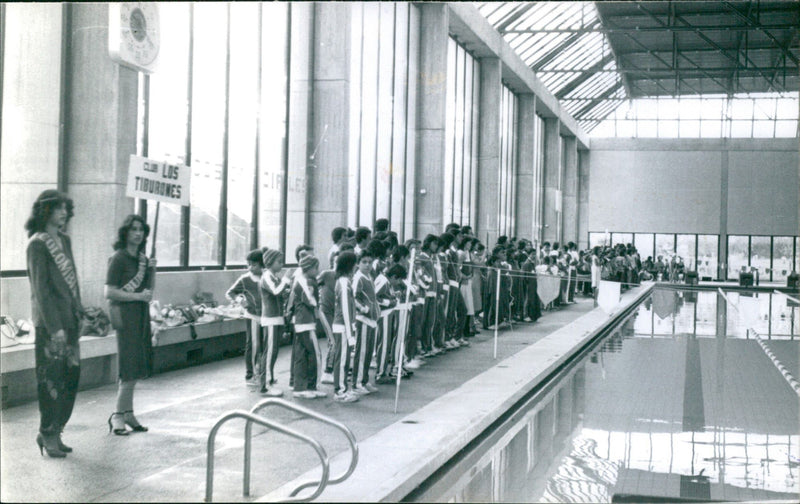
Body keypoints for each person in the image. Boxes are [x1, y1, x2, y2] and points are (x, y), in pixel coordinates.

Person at [26, 190, 82, 457]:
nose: (63, 213)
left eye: (65, 208)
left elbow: (74, 282)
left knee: (71, 377)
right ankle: (47, 432)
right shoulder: (38, 244)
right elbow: (41, 289)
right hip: (51, 326)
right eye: (58, 208)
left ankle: (56, 430)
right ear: (45, 211)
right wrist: (55, 326)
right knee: (51, 380)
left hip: (70, 321)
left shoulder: (66, 240)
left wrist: (79, 312)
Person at [104, 214, 157, 436]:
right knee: (128, 365)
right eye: (133, 229)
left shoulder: (143, 260)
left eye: (141, 230)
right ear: (125, 232)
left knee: (136, 364)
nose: (138, 233)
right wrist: (137, 297)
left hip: (140, 315)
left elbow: (148, 293)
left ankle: (128, 412)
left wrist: (153, 270)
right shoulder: (118, 258)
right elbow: (109, 292)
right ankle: (117, 415)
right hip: (124, 316)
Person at [288, 255, 327, 399]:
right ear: (308, 268)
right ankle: (309, 386)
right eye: (316, 268)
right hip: (305, 323)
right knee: (315, 354)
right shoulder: (304, 282)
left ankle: (301, 387)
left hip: (303, 322)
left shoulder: (302, 281)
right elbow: (311, 301)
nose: (318, 271)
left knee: (301, 355)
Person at [225, 249, 264, 384]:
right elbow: (230, 293)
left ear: (262, 264)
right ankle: (250, 375)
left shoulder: (267, 277)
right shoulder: (245, 279)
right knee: (253, 345)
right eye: (249, 264)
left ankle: (260, 371)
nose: (250, 267)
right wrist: (241, 301)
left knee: (263, 345)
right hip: (252, 316)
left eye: (254, 265)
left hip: (266, 317)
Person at [259, 248, 292, 397]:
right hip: (270, 319)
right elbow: (275, 292)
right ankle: (265, 386)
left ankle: (269, 379)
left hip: (277, 319)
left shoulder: (275, 277)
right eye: (279, 262)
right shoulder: (267, 276)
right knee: (270, 351)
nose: (281, 264)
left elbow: (280, 294)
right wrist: (285, 280)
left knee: (274, 351)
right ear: (270, 262)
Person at [332, 251, 360, 402]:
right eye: (355, 263)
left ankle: (343, 388)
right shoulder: (343, 282)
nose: (356, 266)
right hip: (342, 326)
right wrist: (350, 333)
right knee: (342, 359)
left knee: (345, 359)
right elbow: (345, 309)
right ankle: (340, 391)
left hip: (346, 326)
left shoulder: (346, 281)